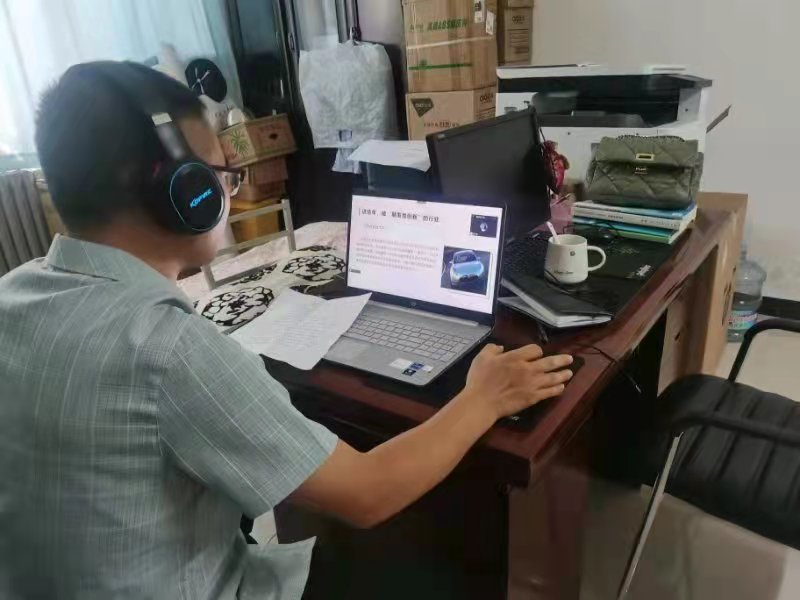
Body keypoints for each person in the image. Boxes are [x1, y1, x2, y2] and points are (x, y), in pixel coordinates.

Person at [0, 61, 573, 600]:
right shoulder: (167, 348)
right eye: (223, 175)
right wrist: (484, 397)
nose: (229, 192)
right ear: (185, 192)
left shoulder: (13, 294)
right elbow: (368, 492)